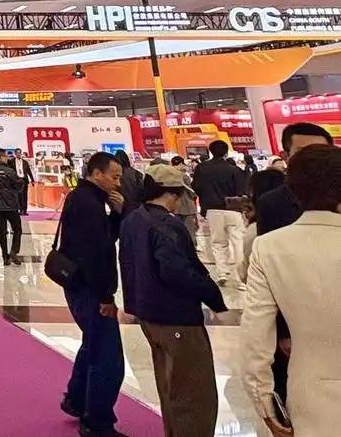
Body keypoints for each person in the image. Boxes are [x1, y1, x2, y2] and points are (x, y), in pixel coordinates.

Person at [119, 164, 228, 437]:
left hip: (149, 314)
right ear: (172, 194)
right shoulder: (166, 224)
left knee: (169, 386)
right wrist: (214, 297)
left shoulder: (133, 219)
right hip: (177, 317)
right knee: (194, 393)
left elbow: (127, 264)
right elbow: (176, 270)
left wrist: (134, 305)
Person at [242, 144, 341, 437]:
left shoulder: (269, 247)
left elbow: (255, 338)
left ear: (293, 190)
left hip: (310, 392)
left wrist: (265, 404)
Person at [57, 151, 125, 437]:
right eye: (114, 177)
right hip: (90, 289)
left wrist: (117, 214)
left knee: (93, 344)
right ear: (97, 174)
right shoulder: (89, 203)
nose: (117, 183)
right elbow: (96, 254)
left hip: (79, 284)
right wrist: (106, 297)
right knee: (108, 358)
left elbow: (103, 239)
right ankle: (97, 422)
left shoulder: (85, 198)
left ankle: (76, 399)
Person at [191, 139, 248, 287]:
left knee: (218, 242)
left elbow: (196, 187)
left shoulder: (202, 168)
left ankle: (222, 273)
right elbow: (242, 190)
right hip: (233, 209)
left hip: (212, 210)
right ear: (226, 152)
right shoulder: (234, 170)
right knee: (238, 242)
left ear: (210, 151)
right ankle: (241, 278)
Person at [0, 150, 23, 265]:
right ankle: (14, 252)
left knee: (2, 232)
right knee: (17, 229)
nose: (7, 158)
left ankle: (5, 257)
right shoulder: (8, 171)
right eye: (5, 156)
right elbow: (18, 185)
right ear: (1, 157)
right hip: (11, 205)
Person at [12, 148, 35, 214]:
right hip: (16, 180)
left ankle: (24, 210)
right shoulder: (11, 161)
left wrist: (32, 180)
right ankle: (19, 209)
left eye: (20, 152)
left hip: (24, 180)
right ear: (15, 154)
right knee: (18, 195)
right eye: (17, 153)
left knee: (25, 195)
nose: (19, 154)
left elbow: (29, 171)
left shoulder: (25, 162)